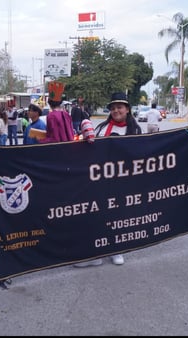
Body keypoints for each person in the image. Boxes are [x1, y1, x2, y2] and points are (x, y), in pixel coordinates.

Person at [75, 92, 142, 268]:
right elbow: (88, 150)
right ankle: (95, 255)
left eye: (119, 107)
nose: (116, 110)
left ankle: (116, 250)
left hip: (122, 182)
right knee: (97, 216)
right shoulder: (101, 128)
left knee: (118, 216)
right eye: (112, 108)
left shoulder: (135, 130)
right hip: (100, 181)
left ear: (127, 109)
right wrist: (83, 137)